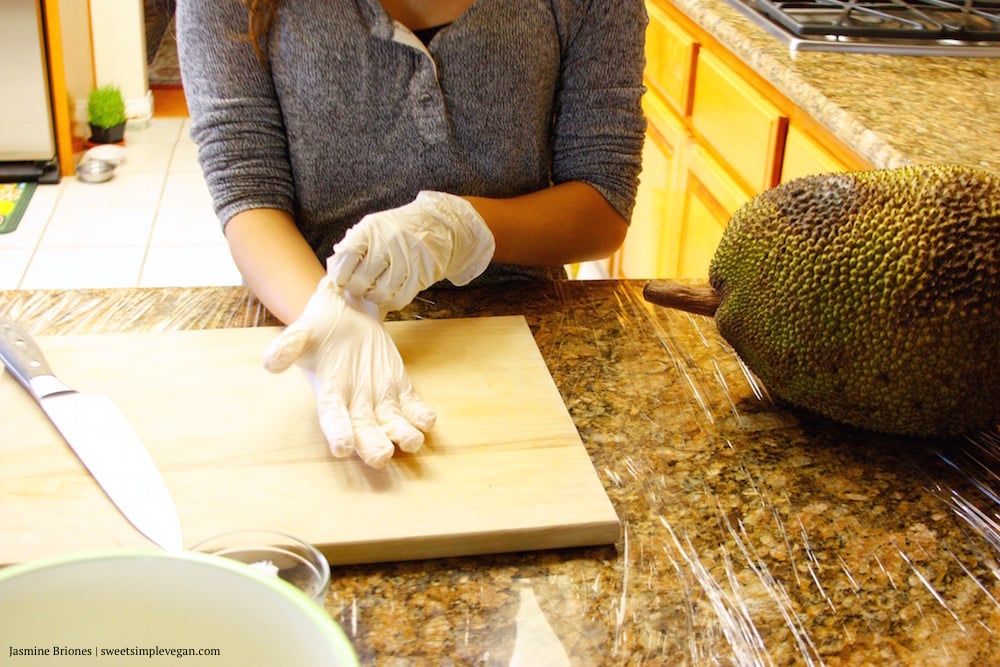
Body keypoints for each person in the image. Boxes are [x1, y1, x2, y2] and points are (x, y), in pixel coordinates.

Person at [176, 0, 647, 467]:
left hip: (518, 336)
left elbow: (603, 200)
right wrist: (328, 322)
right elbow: (247, 186)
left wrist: (458, 228)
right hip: (307, 314)